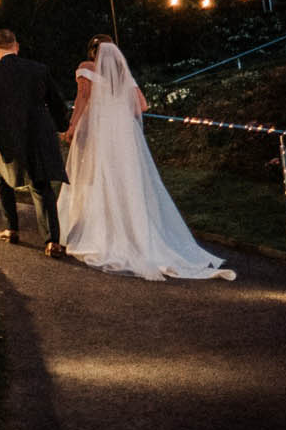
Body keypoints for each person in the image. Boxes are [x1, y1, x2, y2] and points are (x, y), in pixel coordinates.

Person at [58, 36, 235, 281]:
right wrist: (116, 107)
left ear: (92, 52)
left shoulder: (87, 68)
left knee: (97, 177)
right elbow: (141, 106)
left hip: (102, 131)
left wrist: (72, 126)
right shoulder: (123, 74)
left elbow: (82, 99)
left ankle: (102, 231)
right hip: (125, 136)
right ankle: (136, 233)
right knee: (127, 182)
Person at [0, 28, 72, 259]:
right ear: (16, 46)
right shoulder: (39, 69)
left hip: (7, 136)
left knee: (1, 179)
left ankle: (11, 229)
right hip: (39, 134)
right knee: (41, 184)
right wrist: (62, 126)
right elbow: (57, 101)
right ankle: (52, 242)